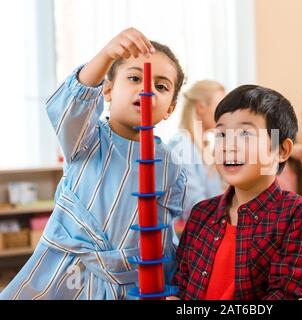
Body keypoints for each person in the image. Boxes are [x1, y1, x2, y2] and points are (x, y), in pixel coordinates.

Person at [0, 28, 187, 300]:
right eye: (135, 78)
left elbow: (161, 236)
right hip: (68, 275)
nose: (147, 89)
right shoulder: (85, 138)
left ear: (170, 108)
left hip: (129, 284)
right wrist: (107, 54)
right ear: (108, 90)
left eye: (161, 86)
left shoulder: (171, 165)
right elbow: (70, 106)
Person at [171, 85, 302, 300]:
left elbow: (282, 295)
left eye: (245, 133)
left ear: (281, 150)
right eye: (221, 134)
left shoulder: (297, 215)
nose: (228, 146)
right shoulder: (201, 214)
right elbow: (179, 287)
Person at [168, 81, 226, 223]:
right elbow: (196, 208)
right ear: (201, 107)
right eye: (220, 107)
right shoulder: (182, 146)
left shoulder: (204, 149)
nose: (225, 115)